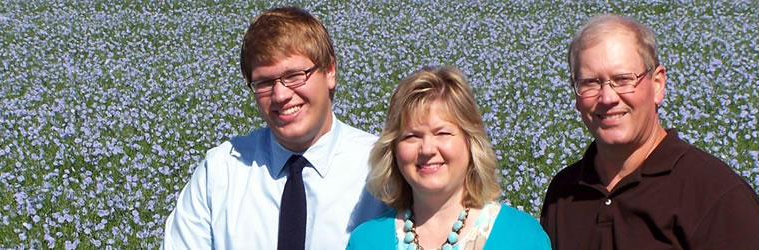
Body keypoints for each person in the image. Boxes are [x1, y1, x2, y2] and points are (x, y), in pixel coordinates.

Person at [162, 6, 388, 249]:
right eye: (265, 82)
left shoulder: (381, 168)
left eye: (294, 75)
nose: (280, 95)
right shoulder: (220, 173)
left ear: (330, 71)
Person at [539, 14, 759, 249]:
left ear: (658, 84)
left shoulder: (716, 196)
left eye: (622, 79)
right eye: (590, 82)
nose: (607, 97)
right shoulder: (563, 193)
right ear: (576, 95)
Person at [347, 67, 551, 250]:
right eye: (411, 136)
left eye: (442, 133)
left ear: (470, 142)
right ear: (392, 149)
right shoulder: (367, 241)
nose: (427, 149)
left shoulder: (523, 238)